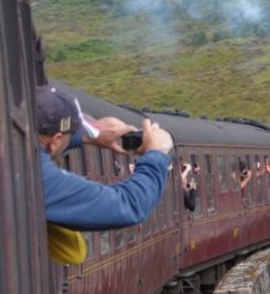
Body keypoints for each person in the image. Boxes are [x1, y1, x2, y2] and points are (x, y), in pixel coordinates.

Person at [37, 85, 173, 230]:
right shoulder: (39, 177)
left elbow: (49, 142)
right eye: (70, 134)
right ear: (55, 139)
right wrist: (156, 154)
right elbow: (128, 205)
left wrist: (89, 136)